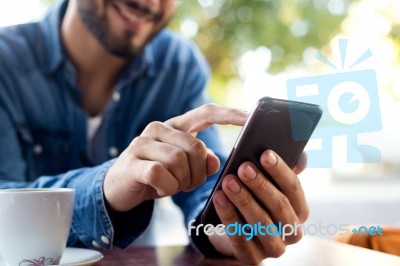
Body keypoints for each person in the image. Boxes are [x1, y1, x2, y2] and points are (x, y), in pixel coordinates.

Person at [0, 0, 309, 264]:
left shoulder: (178, 65)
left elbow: (206, 187)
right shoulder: (6, 64)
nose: (149, 3)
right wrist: (107, 188)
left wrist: (222, 225)